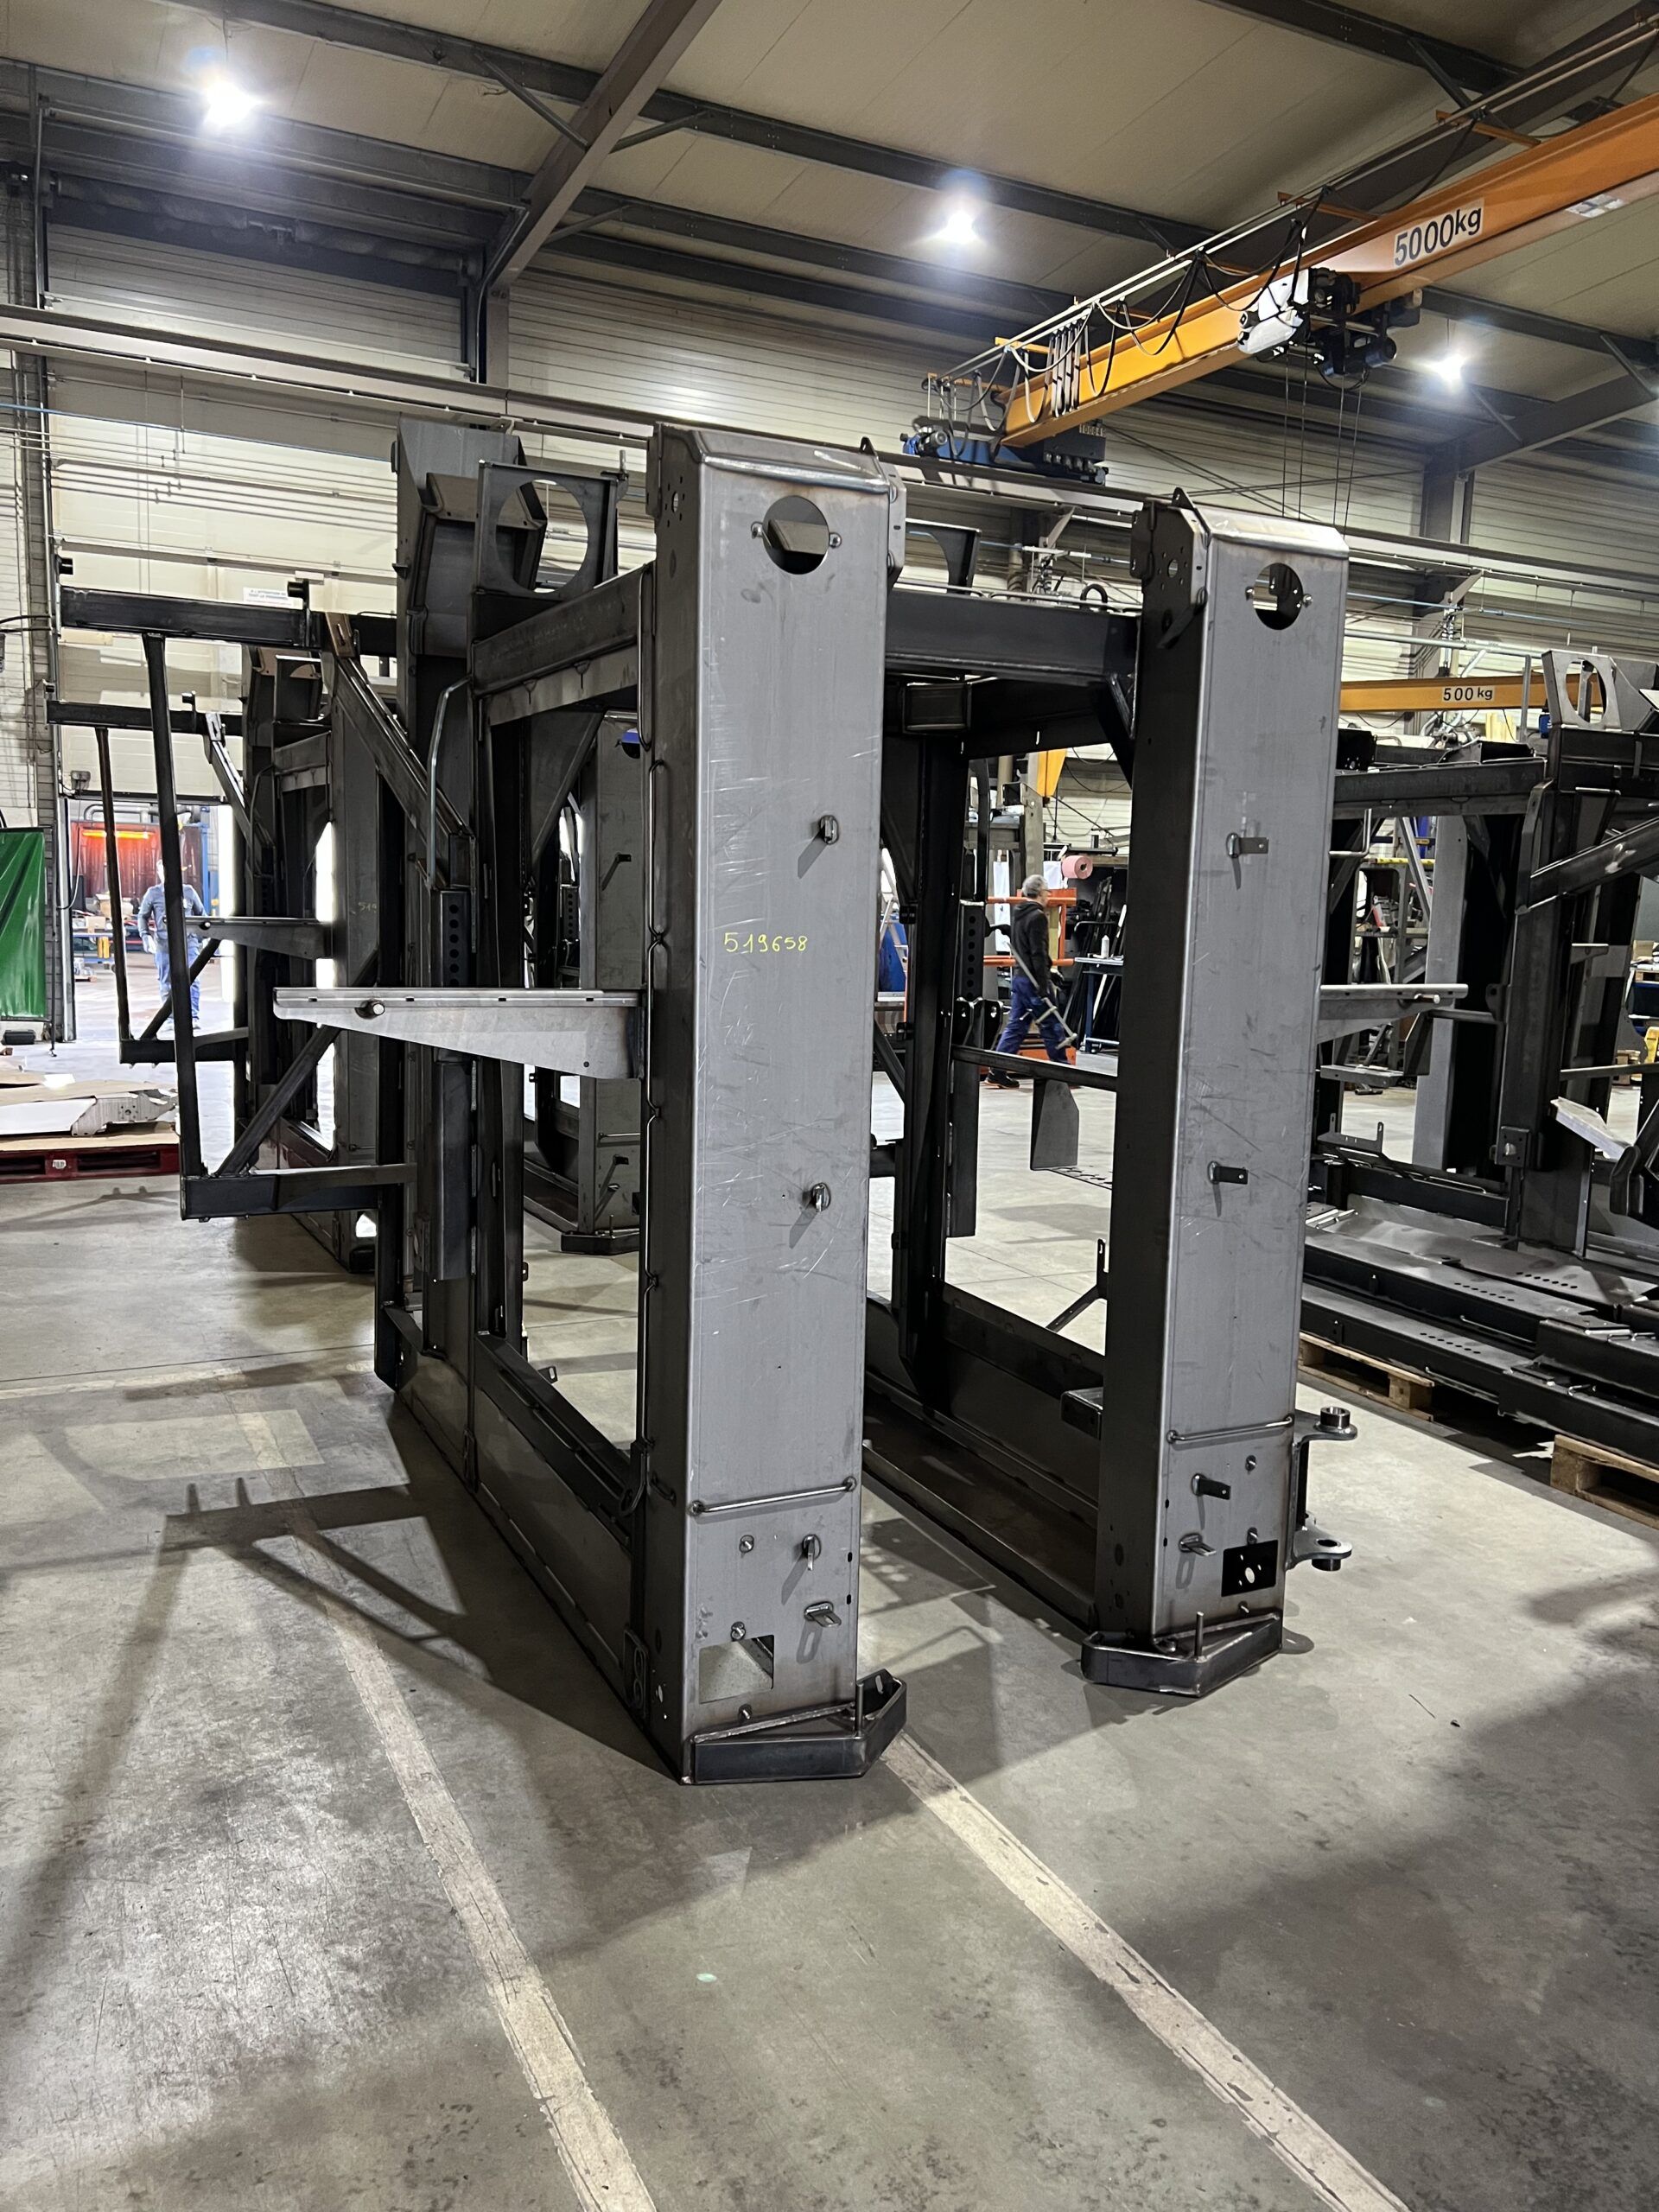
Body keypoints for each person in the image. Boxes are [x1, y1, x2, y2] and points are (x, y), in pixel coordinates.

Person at [988, 874, 1071, 1084]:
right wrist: (1044, 983)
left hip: (1020, 979)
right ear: (1041, 893)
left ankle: (997, 1071)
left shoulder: (1018, 913)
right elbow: (1038, 953)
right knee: (1051, 1024)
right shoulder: (1038, 917)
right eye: (1047, 892)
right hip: (1034, 981)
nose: (1048, 896)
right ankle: (1062, 1072)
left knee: (1016, 1026)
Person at [135, 871, 207, 1024]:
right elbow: (142, 916)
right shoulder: (153, 893)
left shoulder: (188, 892)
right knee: (167, 982)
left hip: (189, 944)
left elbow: (202, 915)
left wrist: (202, 937)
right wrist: (145, 936)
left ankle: (193, 1016)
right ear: (159, 873)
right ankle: (171, 1018)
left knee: (192, 979)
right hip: (164, 945)